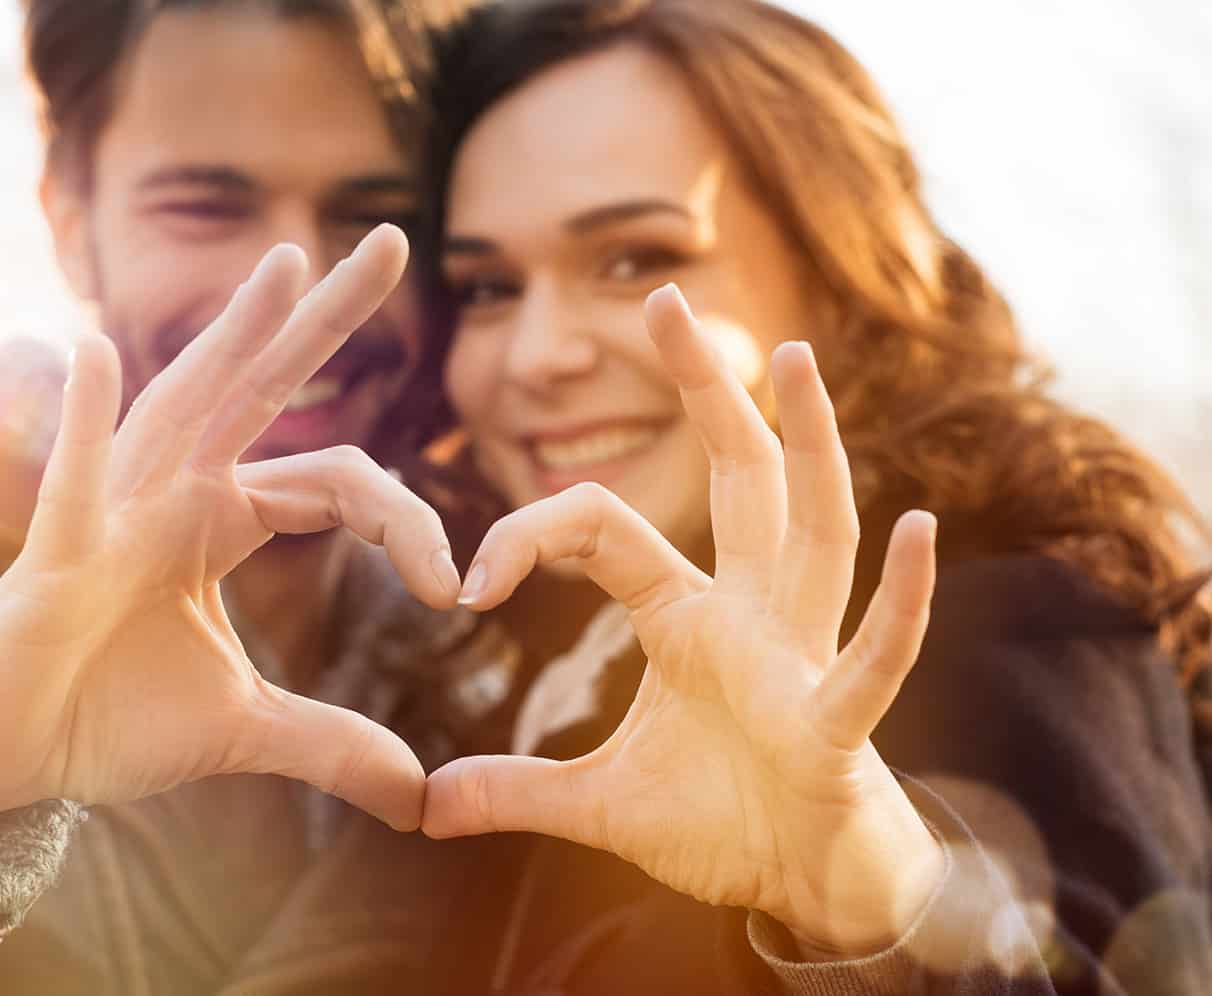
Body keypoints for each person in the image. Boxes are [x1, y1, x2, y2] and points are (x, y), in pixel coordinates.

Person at [367, 0, 1212, 991]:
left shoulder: (999, 634)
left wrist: (876, 914)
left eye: (637, 259)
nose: (537, 356)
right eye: (487, 286)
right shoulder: (539, 671)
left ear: (836, 274)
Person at [0, 1, 473, 993]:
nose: (291, 284)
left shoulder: (507, 595)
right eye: (206, 205)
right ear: (71, 223)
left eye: (376, 217)